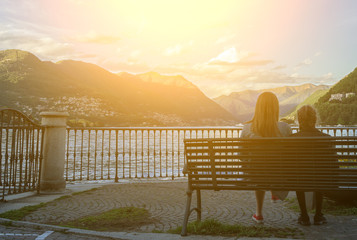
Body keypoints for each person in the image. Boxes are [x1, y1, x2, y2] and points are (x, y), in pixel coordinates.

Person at [241, 92, 291, 223]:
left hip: (255, 175)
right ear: (276, 108)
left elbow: (241, 155)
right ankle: (275, 190)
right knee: (271, 167)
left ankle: (258, 213)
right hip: (278, 174)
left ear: (258, 107)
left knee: (258, 168)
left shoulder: (247, 128)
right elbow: (290, 155)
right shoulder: (285, 127)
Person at [291, 105, 329, 226]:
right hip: (321, 179)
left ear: (299, 119)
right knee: (321, 175)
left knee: (297, 175)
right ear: (314, 119)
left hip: (299, 179)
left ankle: (304, 216)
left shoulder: (292, 139)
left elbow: (289, 167)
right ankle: (318, 215)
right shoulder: (326, 138)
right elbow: (333, 166)